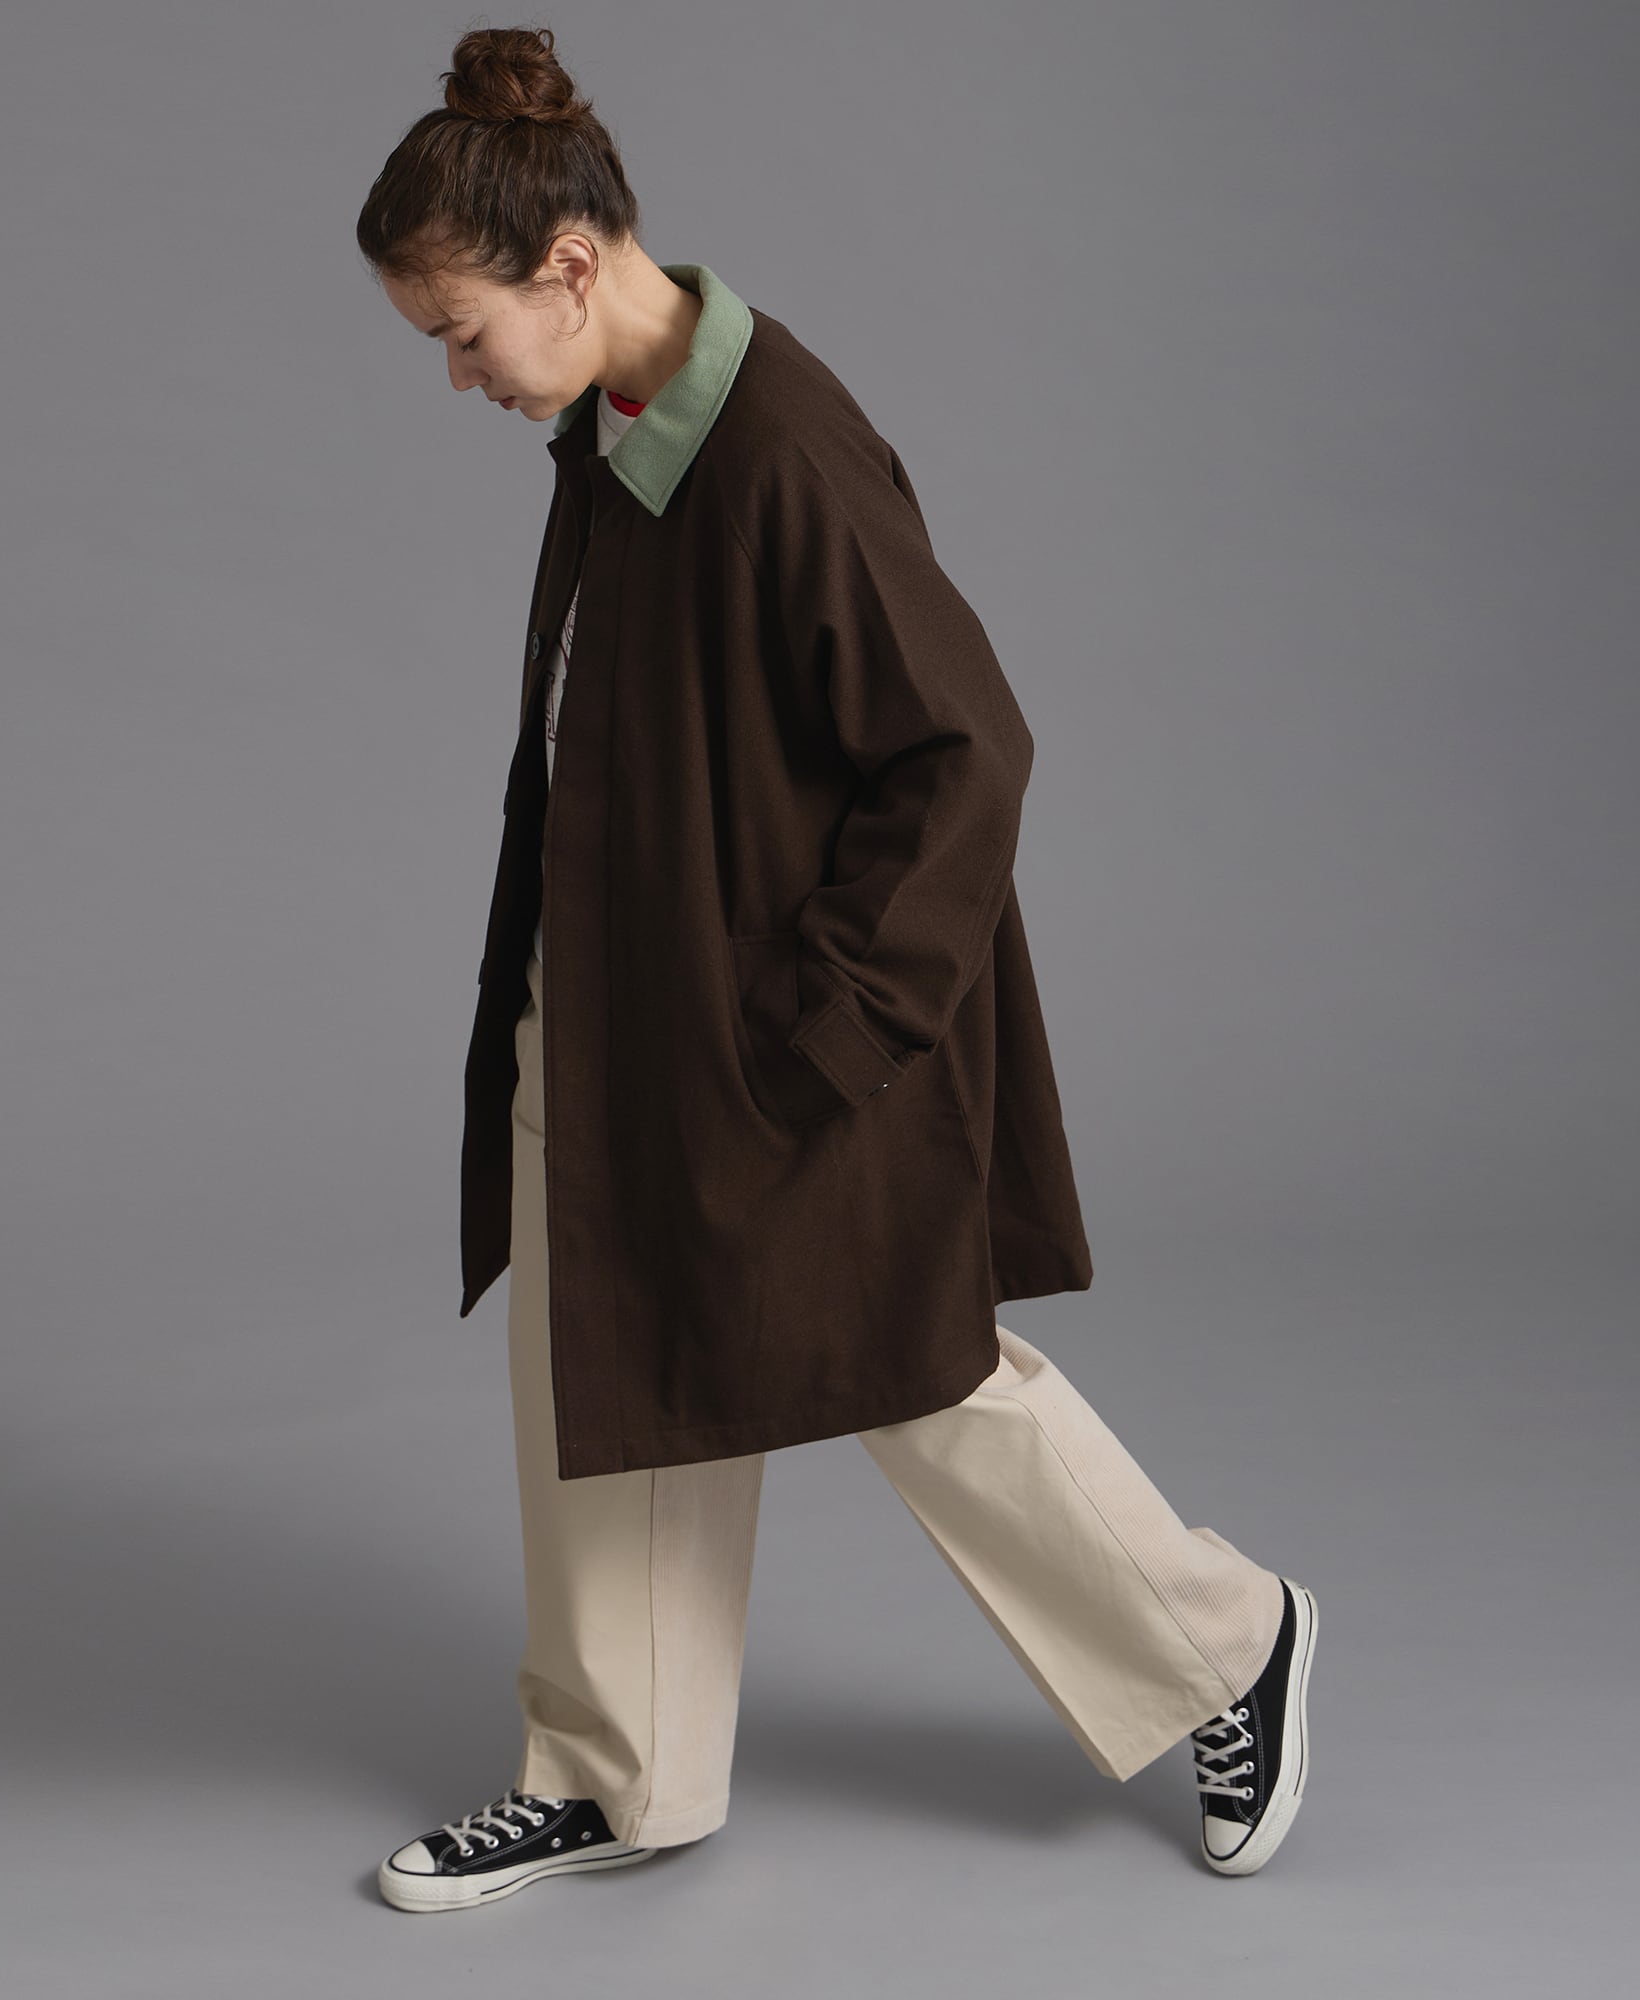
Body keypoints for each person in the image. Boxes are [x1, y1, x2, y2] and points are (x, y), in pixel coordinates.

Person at [355, 26, 1320, 1915]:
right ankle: (615, 1770)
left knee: (910, 1369)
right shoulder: (614, 423)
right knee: (608, 1349)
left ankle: (1231, 1645)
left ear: (572, 265)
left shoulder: (780, 444)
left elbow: (967, 749)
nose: (456, 375)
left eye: (459, 332)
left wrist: (835, 1031)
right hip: (616, 1010)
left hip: (783, 1032)